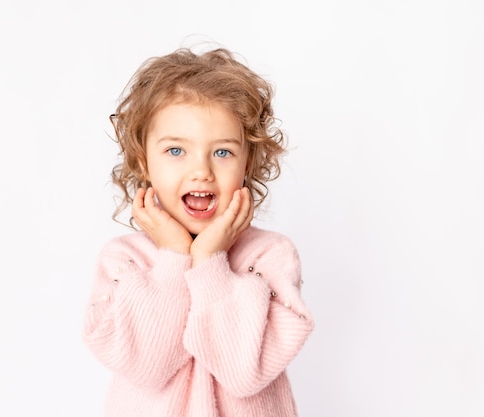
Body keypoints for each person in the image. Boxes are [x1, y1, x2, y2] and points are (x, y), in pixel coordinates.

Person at [82, 45, 314, 417]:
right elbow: (147, 367)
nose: (201, 171)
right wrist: (174, 257)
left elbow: (242, 375)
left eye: (222, 152)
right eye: (176, 151)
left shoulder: (270, 257)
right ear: (144, 160)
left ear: (247, 161)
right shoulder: (124, 261)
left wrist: (209, 262)